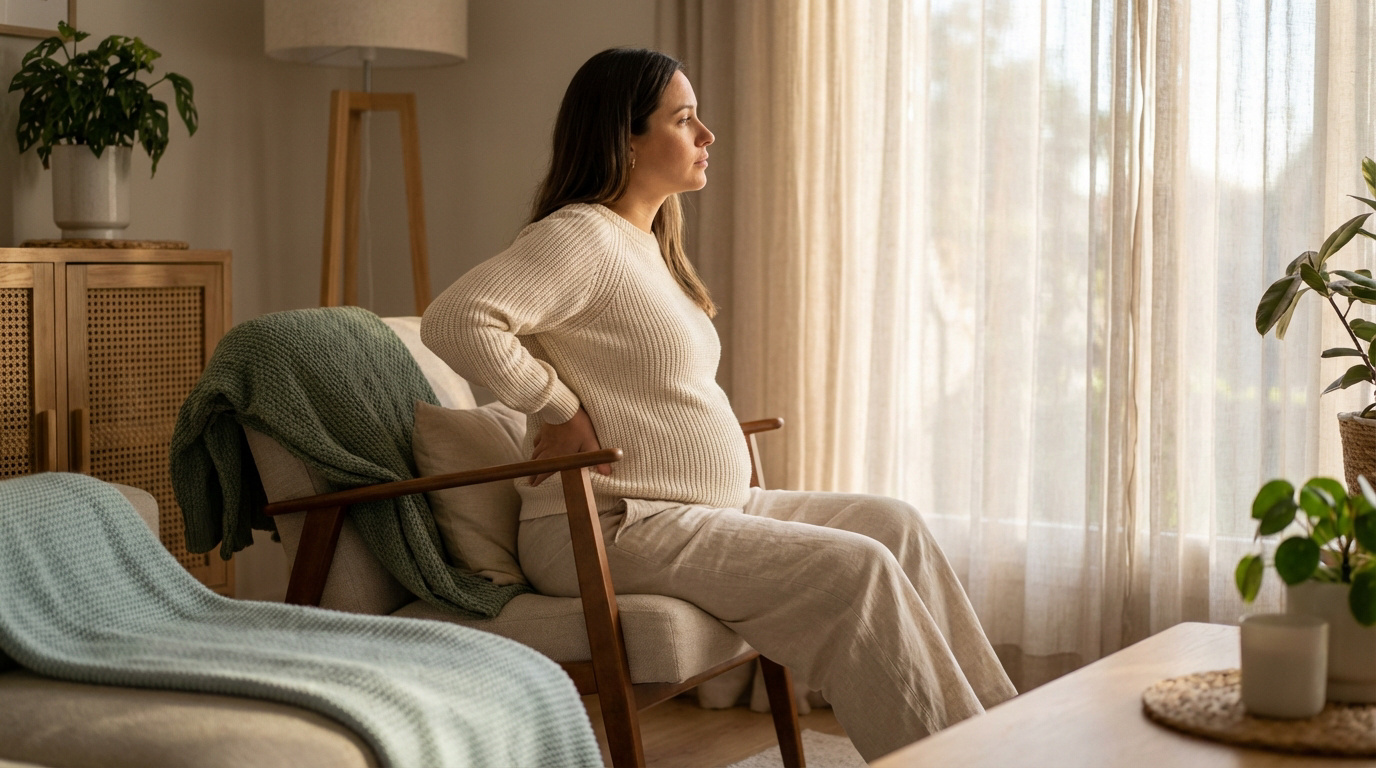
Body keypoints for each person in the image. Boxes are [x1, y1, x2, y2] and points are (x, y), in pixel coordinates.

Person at [420, 47, 1016, 761]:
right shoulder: (579, 234)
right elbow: (457, 319)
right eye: (684, 119)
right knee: (855, 570)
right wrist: (556, 406)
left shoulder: (646, 244)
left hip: (696, 509)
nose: (707, 135)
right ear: (626, 138)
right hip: (614, 522)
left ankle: (1010, 737)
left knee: (896, 526)